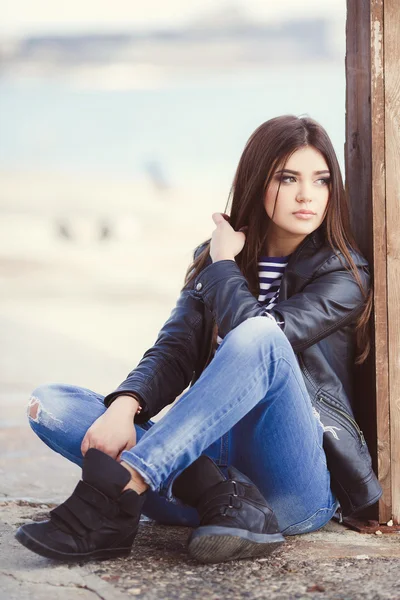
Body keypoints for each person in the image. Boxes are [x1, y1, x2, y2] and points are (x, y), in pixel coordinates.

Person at [16, 115, 382, 564]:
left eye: (321, 180)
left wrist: (223, 266)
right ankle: (216, 499)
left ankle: (125, 487)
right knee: (53, 403)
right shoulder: (214, 260)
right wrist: (125, 405)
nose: (307, 195)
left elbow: (259, 339)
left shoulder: (344, 274)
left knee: (261, 337)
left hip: (292, 492)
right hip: (207, 477)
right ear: (257, 181)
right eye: (288, 178)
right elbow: (173, 351)